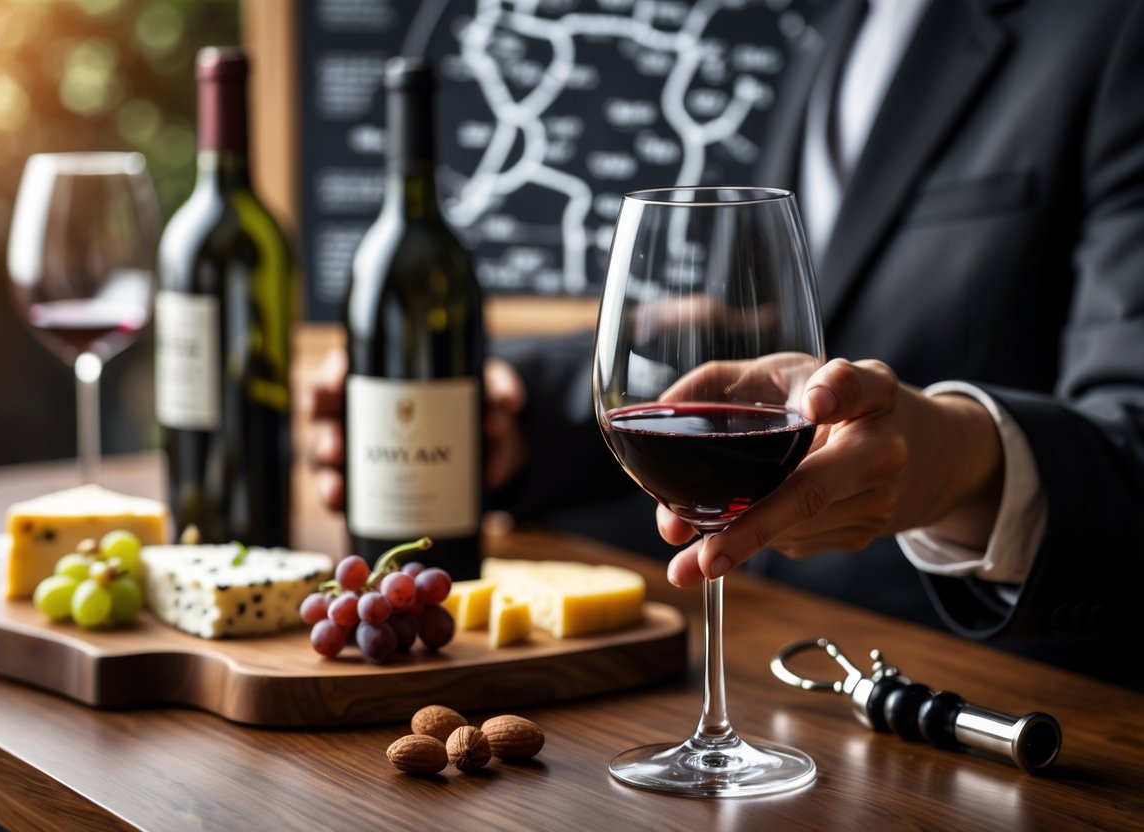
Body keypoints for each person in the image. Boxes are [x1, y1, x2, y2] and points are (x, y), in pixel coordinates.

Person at [309, 0, 1144, 687]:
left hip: (993, 704)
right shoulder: (834, 33)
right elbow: (739, 338)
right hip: (779, 670)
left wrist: (963, 461)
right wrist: (511, 412)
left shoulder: (1110, 31)